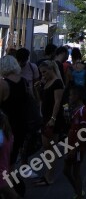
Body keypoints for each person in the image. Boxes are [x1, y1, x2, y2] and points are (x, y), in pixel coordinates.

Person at [0, 56, 29, 196]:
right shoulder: (23, 81)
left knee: (6, 163)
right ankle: (15, 189)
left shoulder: (3, 84)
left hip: (7, 127)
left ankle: (15, 191)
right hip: (21, 124)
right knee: (10, 161)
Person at [35, 60, 65, 186]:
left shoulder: (57, 82)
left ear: (51, 70)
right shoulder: (45, 82)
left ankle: (50, 176)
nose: (43, 74)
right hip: (46, 117)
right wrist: (37, 88)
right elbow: (40, 99)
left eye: (44, 72)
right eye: (41, 72)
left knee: (51, 147)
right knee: (46, 146)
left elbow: (57, 102)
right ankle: (48, 173)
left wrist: (53, 118)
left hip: (53, 118)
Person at [63, 85, 86, 199]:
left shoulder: (83, 110)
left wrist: (75, 148)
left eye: (71, 95)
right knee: (66, 170)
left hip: (76, 145)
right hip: (70, 141)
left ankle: (79, 194)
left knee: (76, 171)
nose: (69, 97)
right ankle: (78, 191)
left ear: (77, 96)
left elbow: (83, 131)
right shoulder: (73, 108)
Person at [0, 110, 20, 198]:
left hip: (1, 173)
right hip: (4, 169)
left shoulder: (1, 138)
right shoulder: (9, 136)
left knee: (10, 193)